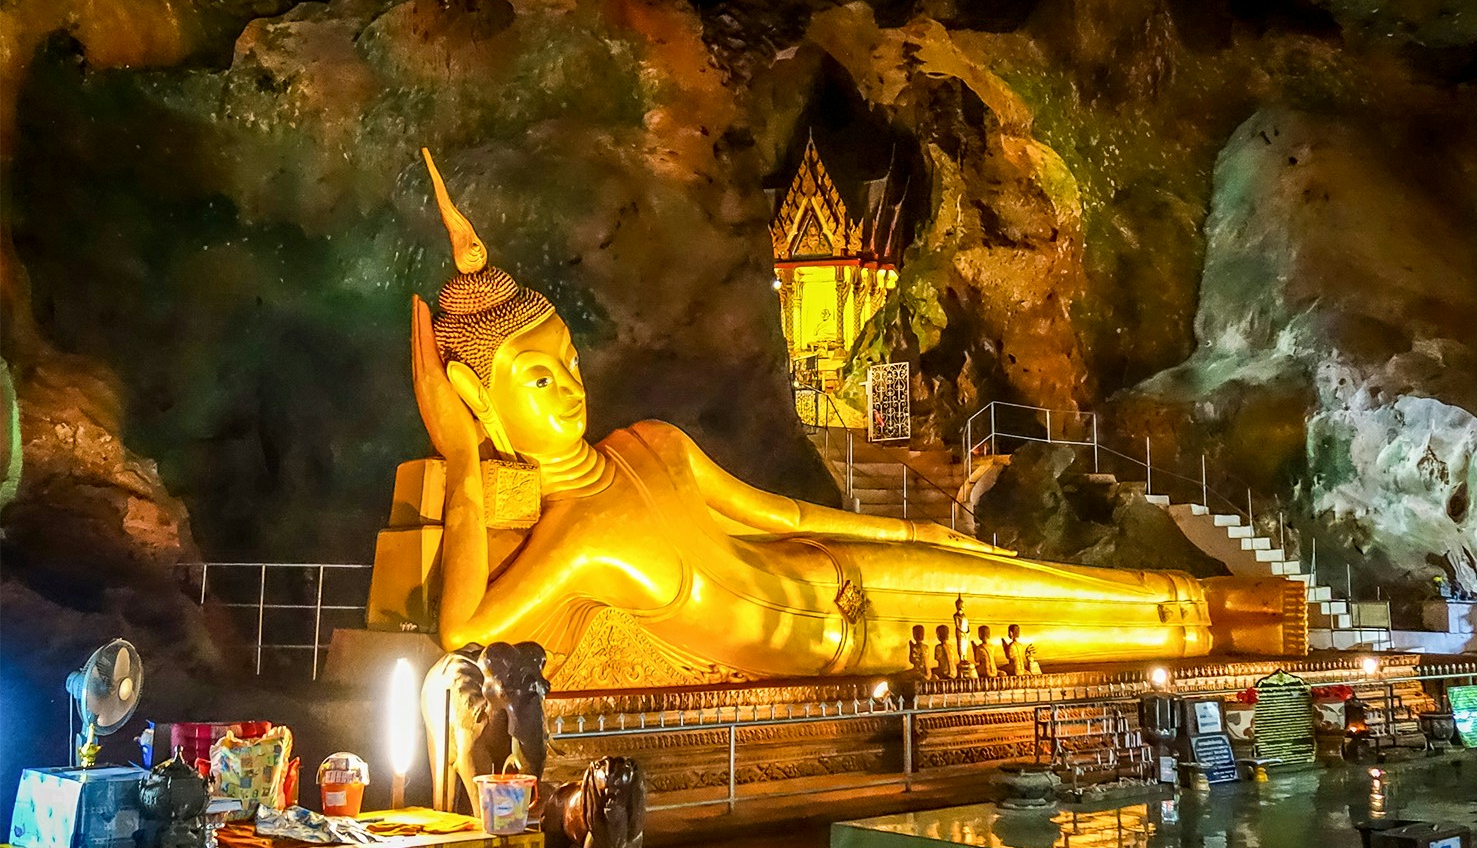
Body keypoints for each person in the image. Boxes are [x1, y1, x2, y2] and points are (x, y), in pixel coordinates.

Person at [399, 149, 1298, 687]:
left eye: (566, 361)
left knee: (1019, 577)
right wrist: (464, 459)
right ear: (482, 401)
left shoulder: (652, 446)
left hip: (829, 564)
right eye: (533, 378)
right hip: (837, 637)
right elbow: (464, 630)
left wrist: (924, 536)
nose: (566, 385)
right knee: (1046, 628)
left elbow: (782, 513)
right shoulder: (578, 533)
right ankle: (1212, 615)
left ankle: (1226, 604)